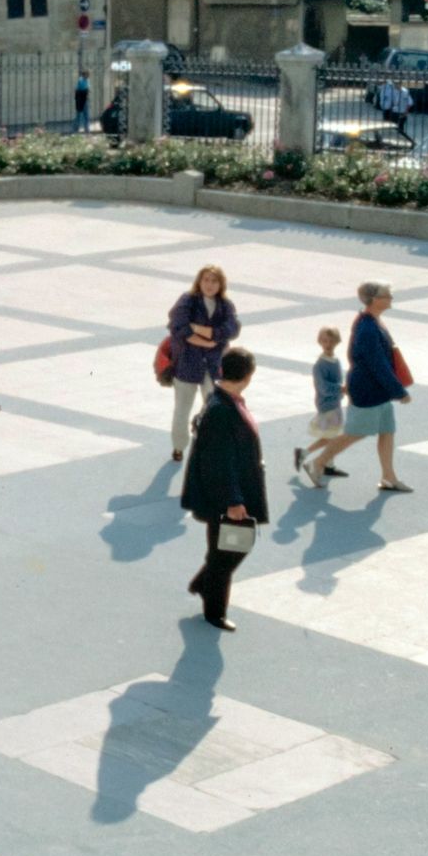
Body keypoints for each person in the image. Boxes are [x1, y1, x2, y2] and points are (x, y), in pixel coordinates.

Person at [180, 346, 265, 633]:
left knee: (229, 548)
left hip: (230, 491)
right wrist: (233, 500)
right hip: (224, 496)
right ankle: (214, 610)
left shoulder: (225, 400)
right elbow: (220, 462)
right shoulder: (221, 410)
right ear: (248, 376)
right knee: (227, 550)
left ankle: (204, 584)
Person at [301, 281, 411, 492]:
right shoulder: (368, 327)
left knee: (387, 430)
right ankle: (319, 462)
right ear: (374, 300)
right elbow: (377, 363)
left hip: (377, 389)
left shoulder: (372, 321)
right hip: (368, 390)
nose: (390, 298)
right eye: (386, 295)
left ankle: (389, 476)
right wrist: (399, 391)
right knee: (355, 432)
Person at [165, 264, 240, 464]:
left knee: (214, 407)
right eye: (206, 279)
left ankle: (210, 446)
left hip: (213, 365)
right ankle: (179, 446)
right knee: (182, 408)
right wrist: (210, 340)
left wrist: (199, 329)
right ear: (199, 281)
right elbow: (179, 327)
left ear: (221, 284)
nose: (209, 284)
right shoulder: (188, 300)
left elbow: (231, 329)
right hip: (187, 363)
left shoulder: (225, 305)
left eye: (214, 281)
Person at [295, 325, 351, 481]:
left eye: (331, 341)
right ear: (320, 342)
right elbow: (323, 388)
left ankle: (328, 464)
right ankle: (306, 453)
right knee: (331, 436)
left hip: (336, 402)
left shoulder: (336, 361)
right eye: (325, 341)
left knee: (333, 435)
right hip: (327, 404)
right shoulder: (320, 365)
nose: (328, 344)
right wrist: (340, 389)